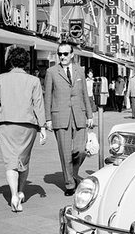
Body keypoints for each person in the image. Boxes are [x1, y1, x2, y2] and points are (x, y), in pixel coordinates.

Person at [0, 47, 46, 212]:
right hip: (28, 124)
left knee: (10, 161)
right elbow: (38, 105)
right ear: (26, 63)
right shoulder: (34, 81)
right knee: (24, 159)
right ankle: (21, 191)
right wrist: (42, 126)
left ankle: (13, 194)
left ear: (10, 61)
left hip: (6, 123)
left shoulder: (0, 78)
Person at [44, 42, 93, 196]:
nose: (62, 57)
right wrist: (48, 119)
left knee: (81, 150)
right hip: (60, 116)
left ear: (72, 54)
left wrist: (90, 115)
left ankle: (72, 172)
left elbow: (85, 93)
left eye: (65, 54)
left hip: (79, 113)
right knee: (65, 152)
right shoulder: (51, 71)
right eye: (60, 54)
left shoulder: (80, 71)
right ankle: (70, 184)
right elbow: (48, 97)